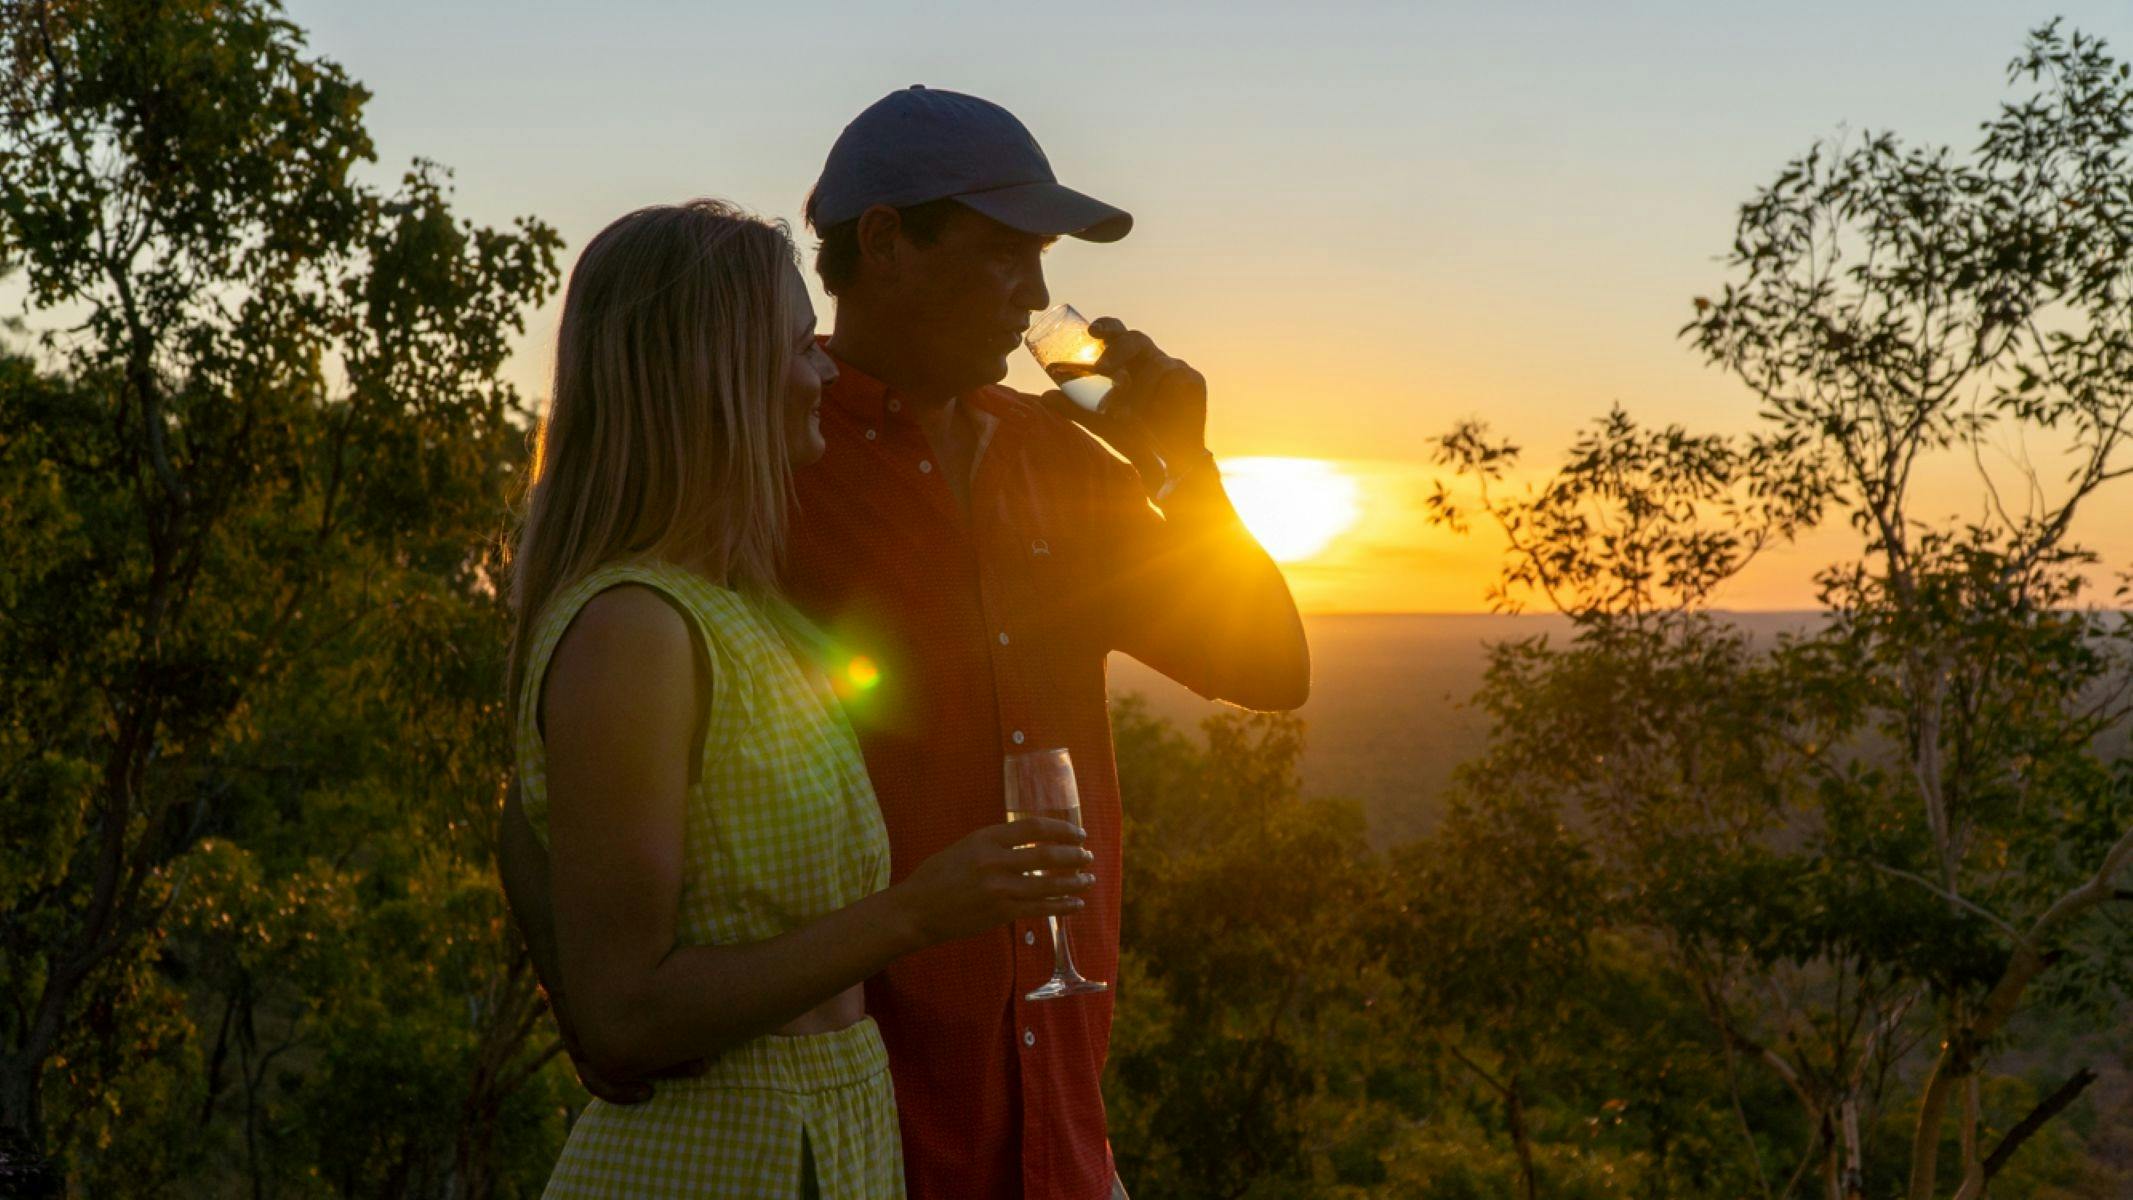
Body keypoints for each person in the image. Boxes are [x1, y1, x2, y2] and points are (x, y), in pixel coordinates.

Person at [502, 90, 1310, 1199]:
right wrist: (604, 1022)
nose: (1034, 295)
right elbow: (559, 772)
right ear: (885, 242)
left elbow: (1268, 666)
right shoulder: (766, 455)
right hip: (852, 1140)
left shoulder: (1063, 462)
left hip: (1061, 1139)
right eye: (1005, 253)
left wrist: (1186, 469)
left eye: (1043, 262)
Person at [503, 198, 1096, 1198]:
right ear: (715, 377)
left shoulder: (742, 609)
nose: (825, 369)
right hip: (713, 1164)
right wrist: (918, 913)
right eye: (794, 346)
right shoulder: (635, 631)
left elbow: (524, 827)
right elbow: (627, 1014)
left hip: (829, 1141)